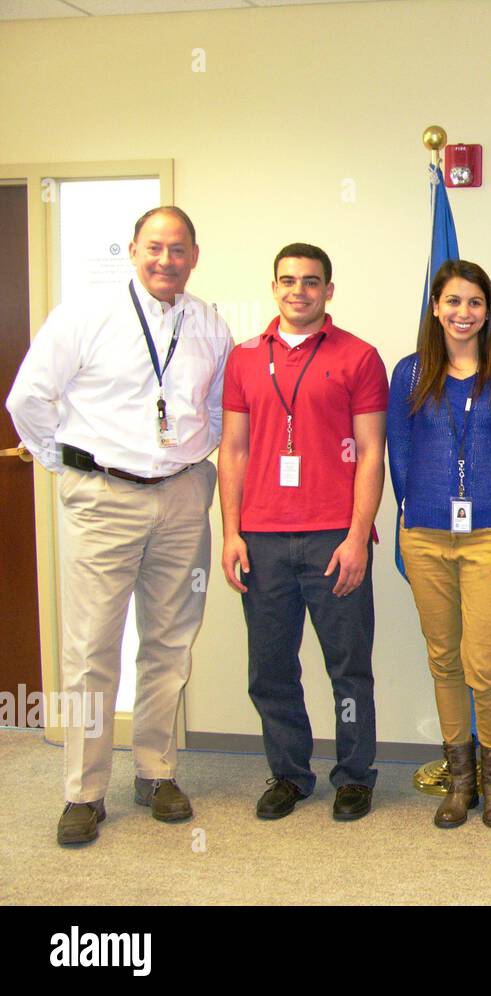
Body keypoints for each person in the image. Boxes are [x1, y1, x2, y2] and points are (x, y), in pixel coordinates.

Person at [6, 206, 232, 845]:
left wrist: (185, 453)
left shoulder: (209, 323)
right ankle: (83, 789)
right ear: (133, 250)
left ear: (195, 254)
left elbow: (216, 410)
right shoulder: (85, 315)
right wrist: (66, 464)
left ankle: (156, 771)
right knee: (90, 652)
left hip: (184, 499)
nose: (166, 260)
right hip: (103, 499)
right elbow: (28, 398)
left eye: (179, 249)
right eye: (154, 247)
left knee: (170, 642)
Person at [218, 243, 387, 821]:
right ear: (274, 288)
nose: (299, 291)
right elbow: (233, 451)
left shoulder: (359, 356)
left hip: (332, 538)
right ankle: (290, 774)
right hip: (261, 540)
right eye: (288, 281)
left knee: (348, 666)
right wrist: (230, 534)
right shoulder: (243, 358)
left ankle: (354, 775)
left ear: (328, 291)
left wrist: (357, 535)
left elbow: (371, 453)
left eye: (311, 282)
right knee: (270, 668)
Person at [388, 259, 491, 829]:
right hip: (425, 534)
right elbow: (398, 454)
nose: (463, 312)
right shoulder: (408, 372)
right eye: (452, 301)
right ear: (435, 307)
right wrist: (417, 510)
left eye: (474, 302)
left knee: (485, 659)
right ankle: (461, 778)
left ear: (487, 310)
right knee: (444, 658)